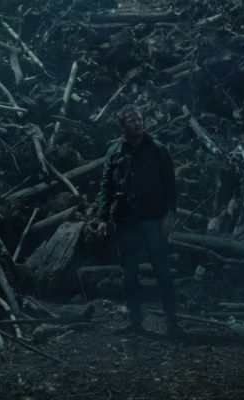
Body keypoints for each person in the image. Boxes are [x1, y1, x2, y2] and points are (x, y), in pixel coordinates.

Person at [96, 104, 181, 337]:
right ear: (123, 126)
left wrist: (169, 215)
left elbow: (170, 185)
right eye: (132, 120)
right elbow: (106, 186)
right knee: (129, 275)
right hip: (126, 221)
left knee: (163, 272)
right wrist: (102, 218)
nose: (138, 123)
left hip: (153, 219)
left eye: (140, 119)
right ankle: (135, 322)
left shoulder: (157, 149)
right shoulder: (115, 152)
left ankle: (172, 322)